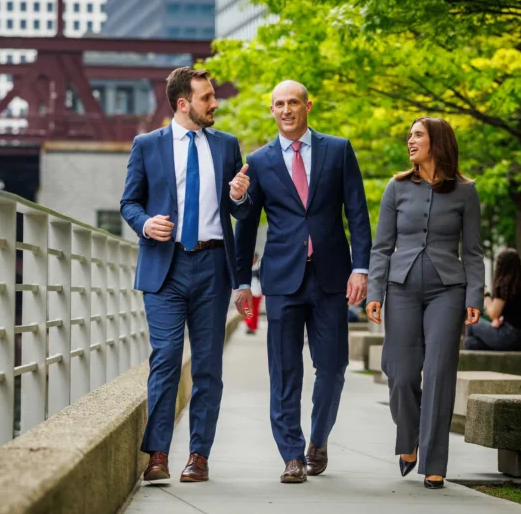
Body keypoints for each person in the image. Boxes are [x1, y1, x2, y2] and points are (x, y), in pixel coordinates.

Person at [234, 80, 372, 483]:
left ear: (308, 105)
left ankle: (319, 438)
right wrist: (242, 280)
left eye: (293, 102)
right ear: (272, 111)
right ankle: (291, 455)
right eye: (279, 104)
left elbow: (358, 214)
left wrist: (360, 269)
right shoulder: (258, 162)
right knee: (284, 369)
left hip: (331, 276)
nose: (286, 109)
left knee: (333, 366)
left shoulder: (339, 150)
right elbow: (245, 226)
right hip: (281, 279)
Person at [120, 67, 251, 483]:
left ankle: (198, 456)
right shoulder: (147, 145)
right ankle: (157, 454)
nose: (215, 104)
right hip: (165, 267)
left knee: (209, 367)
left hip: (213, 267)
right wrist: (144, 224)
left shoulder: (228, 146)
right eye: (207, 97)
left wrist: (239, 196)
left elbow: (241, 211)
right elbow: (129, 202)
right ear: (183, 103)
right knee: (166, 360)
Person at [366, 116, 484, 489]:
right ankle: (409, 437)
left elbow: (474, 251)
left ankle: (434, 462)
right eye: (409, 135)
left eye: (418, 135)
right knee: (400, 372)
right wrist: (374, 291)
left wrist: (474, 295)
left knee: (438, 373)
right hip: (400, 288)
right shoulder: (397, 187)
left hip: (448, 291)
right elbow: (382, 246)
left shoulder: (466, 191)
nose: (410, 140)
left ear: (438, 142)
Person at [465, 247, 521, 351]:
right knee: (471, 343)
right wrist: (502, 321)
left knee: (471, 323)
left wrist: (485, 294)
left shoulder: (505, 285)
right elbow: (519, 316)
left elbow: (493, 314)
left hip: (509, 337)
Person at [244, 252, 262, 335]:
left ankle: (253, 327)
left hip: (256, 293)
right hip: (246, 292)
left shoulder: (258, 269)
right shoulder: (246, 268)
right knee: (247, 310)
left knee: (254, 311)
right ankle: (248, 325)